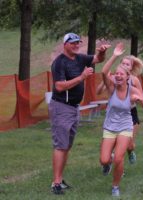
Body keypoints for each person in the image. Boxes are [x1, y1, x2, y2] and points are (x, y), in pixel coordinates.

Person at [49, 33, 110, 194]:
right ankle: (55, 183)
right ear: (65, 45)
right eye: (73, 43)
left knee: (67, 145)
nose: (76, 45)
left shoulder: (79, 58)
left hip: (74, 107)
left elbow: (98, 59)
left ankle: (60, 180)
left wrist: (102, 52)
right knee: (60, 145)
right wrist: (81, 77)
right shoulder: (59, 63)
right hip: (61, 107)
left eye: (78, 43)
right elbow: (59, 87)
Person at [99, 43, 143, 197]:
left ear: (128, 77)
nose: (118, 76)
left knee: (118, 159)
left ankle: (115, 186)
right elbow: (103, 71)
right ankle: (109, 162)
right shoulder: (111, 87)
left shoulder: (133, 90)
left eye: (122, 74)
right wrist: (114, 55)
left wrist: (141, 101)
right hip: (109, 127)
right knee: (104, 160)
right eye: (116, 74)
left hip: (125, 127)